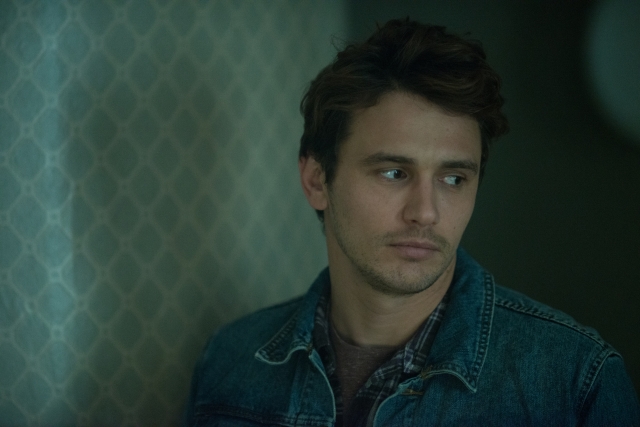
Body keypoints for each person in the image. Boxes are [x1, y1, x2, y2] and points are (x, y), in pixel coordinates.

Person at [183, 18, 640, 426]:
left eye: (453, 179)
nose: (426, 211)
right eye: (393, 173)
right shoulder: (232, 361)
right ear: (317, 180)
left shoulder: (575, 382)